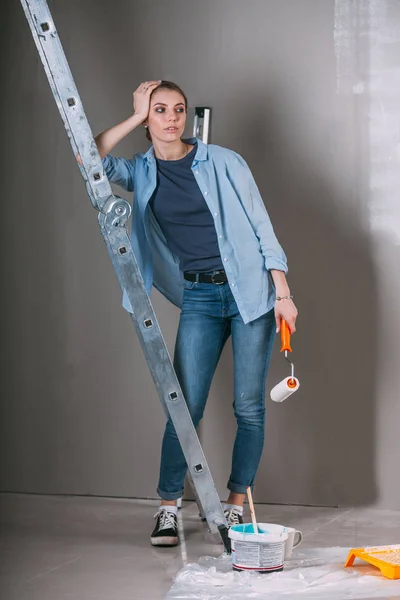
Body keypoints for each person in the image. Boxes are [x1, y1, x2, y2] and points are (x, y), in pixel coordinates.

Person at [94, 80, 298, 547]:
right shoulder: (141, 171)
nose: (171, 118)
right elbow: (90, 158)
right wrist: (134, 112)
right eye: (160, 110)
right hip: (200, 298)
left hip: (251, 294)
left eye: (178, 109)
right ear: (148, 118)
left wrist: (281, 291)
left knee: (249, 408)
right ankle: (168, 506)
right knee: (182, 405)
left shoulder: (222, 161)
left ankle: (233, 503)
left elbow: (259, 223)